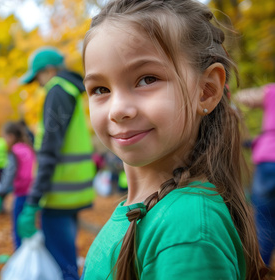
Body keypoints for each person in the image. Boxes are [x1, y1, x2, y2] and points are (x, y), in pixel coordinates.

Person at [80, 0, 267, 279]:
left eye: (147, 79)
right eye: (101, 88)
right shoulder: (151, 209)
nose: (118, 110)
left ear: (206, 91)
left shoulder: (187, 229)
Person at [17, 47, 96, 280]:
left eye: (38, 78)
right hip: (73, 192)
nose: (39, 85)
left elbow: (49, 152)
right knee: (68, 259)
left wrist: (32, 201)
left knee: (63, 265)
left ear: (49, 70)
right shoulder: (71, 92)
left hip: (58, 196)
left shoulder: (57, 92)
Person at [235, 84, 275, 267]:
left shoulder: (272, 91)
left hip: (269, 161)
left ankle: (258, 270)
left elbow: (244, 97)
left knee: (265, 222)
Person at [0, 122, 37, 249]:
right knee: (28, 226)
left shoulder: (14, 150)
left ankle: (19, 252)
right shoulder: (27, 147)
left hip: (22, 192)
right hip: (33, 191)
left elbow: (10, 172)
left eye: (5, 137)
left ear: (11, 136)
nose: (4, 141)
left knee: (17, 226)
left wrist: (2, 191)